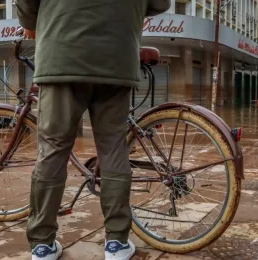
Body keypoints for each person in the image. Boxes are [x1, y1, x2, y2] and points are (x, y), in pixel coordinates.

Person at [15, 0, 170, 260]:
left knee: (53, 149)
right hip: (116, 58)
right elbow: (160, 3)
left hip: (61, 55)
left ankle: (42, 245)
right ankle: (117, 244)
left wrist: (30, 24)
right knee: (113, 149)